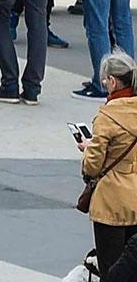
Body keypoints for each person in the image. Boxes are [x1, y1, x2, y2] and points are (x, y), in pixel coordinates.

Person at [83, 51, 137, 274]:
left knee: (111, 269)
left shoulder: (108, 116)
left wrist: (87, 150)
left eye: (105, 80)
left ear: (113, 81)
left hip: (112, 202)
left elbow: (93, 165)